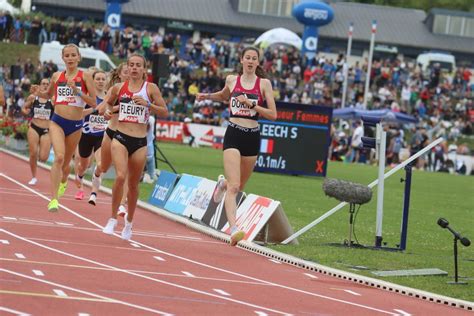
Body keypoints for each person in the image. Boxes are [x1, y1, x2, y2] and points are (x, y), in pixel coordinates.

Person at [196, 46, 277, 246]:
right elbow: (224, 96)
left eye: (254, 58)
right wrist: (205, 96)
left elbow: (273, 115)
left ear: (258, 63)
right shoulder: (232, 80)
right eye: (247, 58)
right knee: (234, 187)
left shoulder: (264, 84)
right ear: (241, 60)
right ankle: (233, 230)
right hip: (233, 132)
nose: (250, 61)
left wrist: (251, 105)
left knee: (238, 186)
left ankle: (221, 184)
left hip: (252, 136)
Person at [102, 54, 168, 240]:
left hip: (140, 142)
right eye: (131, 65)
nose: (134, 68)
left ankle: (129, 223)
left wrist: (148, 104)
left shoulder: (151, 88)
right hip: (120, 137)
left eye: (138, 65)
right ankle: (112, 219)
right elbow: (106, 104)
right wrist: (107, 111)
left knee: (133, 185)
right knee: (120, 176)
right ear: (127, 68)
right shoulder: (118, 87)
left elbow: (164, 110)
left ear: (143, 69)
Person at [30, 44, 96, 212]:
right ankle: (53, 200)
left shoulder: (86, 76)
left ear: (78, 57)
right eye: (67, 55)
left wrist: (77, 92)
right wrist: (38, 92)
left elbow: (93, 103)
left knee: (66, 163)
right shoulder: (56, 76)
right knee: (58, 158)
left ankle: (64, 180)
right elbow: (48, 95)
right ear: (63, 58)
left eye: (73, 55)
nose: (70, 58)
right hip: (57, 121)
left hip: (75, 125)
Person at [93, 63, 129, 214]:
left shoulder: (142, 91)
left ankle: (122, 204)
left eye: (132, 70)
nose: (130, 73)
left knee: (124, 171)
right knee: (104, 167)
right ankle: (97, 171)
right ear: (119, 75)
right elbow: (100, 109)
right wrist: (115, 109)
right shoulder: (115, 89)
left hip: (128, 135)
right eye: (126, 71)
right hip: (112, 131)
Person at [74, 70, 108, 203]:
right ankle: (80, 175)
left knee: (100, 164)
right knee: (84, 165)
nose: (100, 81)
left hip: (102, 136)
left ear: (106, 81)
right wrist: (94, 109)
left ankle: (94, 193)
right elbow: (78, 114)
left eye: (103, 79)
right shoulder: (88, 97)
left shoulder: (109, 97)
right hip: (86, 135)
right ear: (93, 81)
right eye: (98, 79)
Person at [21, 78, 54, 185]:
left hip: (47, 130)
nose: (45, 85)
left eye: (47, 84)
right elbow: (24, 108)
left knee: (43, 157)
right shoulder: (33, 97)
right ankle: (34, 176)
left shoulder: (52, 99)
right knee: (33, 153)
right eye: (43, 84)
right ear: (39, 86)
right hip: (34, 127)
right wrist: (26, 111)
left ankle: (42, 149)